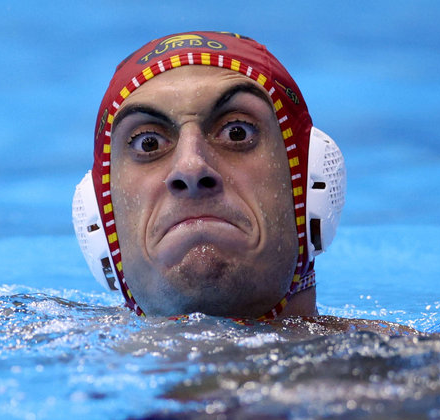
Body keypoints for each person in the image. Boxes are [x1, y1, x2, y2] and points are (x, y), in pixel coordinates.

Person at [72, 31, 346, 320]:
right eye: (148, 143)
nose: (191, 168)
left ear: (308, 184)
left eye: (237, 132)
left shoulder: (389, 360)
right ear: (102, 217)